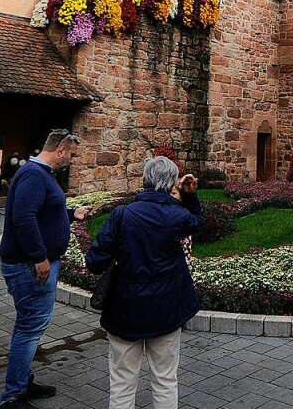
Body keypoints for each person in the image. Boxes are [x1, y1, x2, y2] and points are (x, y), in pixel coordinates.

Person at [86, 156, 203, 409]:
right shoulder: (176, 215)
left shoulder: (122, 215)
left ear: (145, 181)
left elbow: (94, 261)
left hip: (125, 309)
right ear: (172, 183)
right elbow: (197, 222)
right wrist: (190, 195)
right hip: (166, 309)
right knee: (165, 379)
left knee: (122, 383)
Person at [0, 129, 90, 409]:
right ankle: (13, 395)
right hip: (29, 266)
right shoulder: (34, 175)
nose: (72, 161)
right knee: (29, 327)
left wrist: (71, 214)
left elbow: (42, 211)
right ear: (60, 150)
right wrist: (39, 257)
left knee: (27, 325)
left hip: (32, 263)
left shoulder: (41, 175)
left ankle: (22, 381)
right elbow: (24, 217)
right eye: (71, 155)